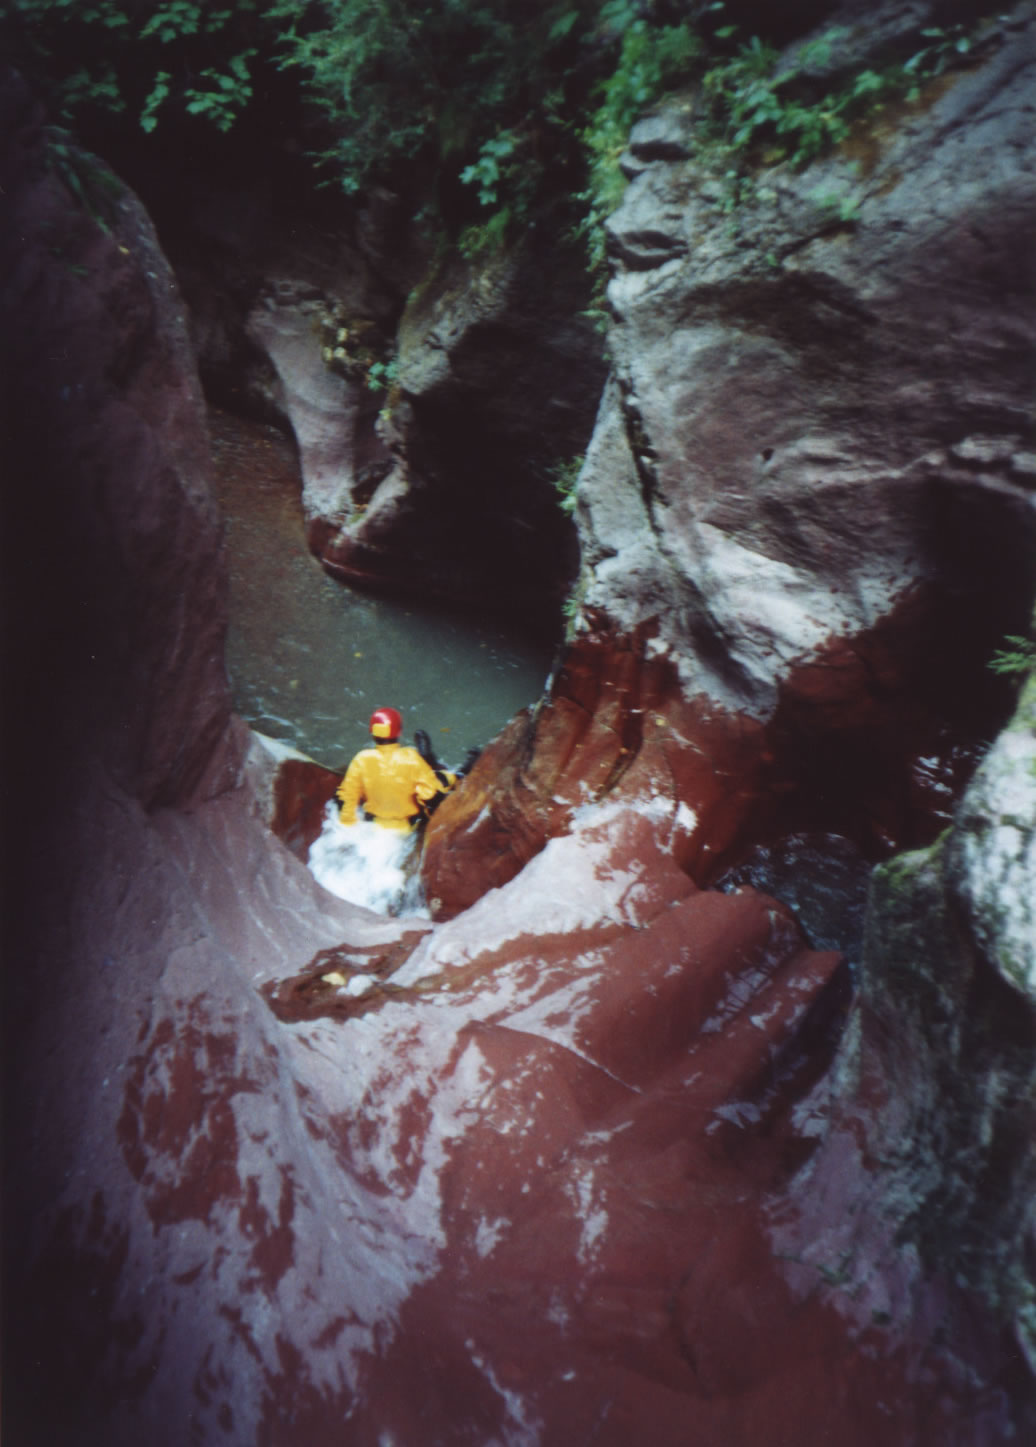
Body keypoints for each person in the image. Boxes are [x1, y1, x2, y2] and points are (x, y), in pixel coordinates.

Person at [336, 707, 454, 831]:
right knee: (440, 779)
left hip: (373, 827)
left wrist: (348, 825)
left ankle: (430, 762)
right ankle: (447, 769)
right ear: (399, 732)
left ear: (373, 733)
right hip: (407, 828)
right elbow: (430, 794)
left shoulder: (361, 759)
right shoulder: (411, 757)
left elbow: (347, 797)